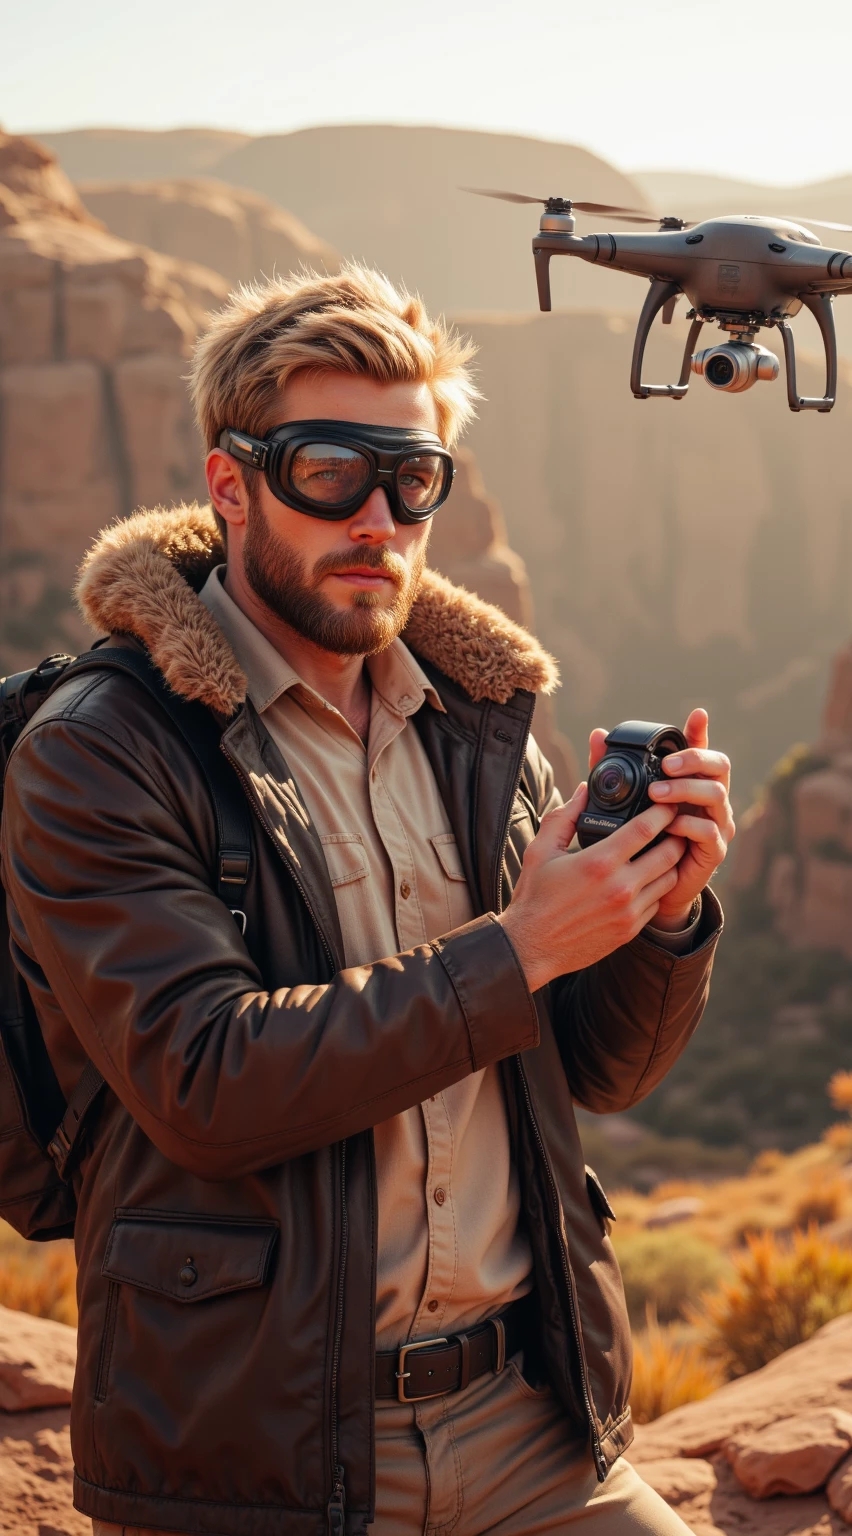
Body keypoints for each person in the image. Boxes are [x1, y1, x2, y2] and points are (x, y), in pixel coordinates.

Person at [1, 266, 734, 1536]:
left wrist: (654, 918)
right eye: (328, 473)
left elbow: (596, 1071)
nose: (378, 519)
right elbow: (206, 1083)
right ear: (230, 486)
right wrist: (523, 944)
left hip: (530, 1418)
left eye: (414, 478)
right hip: (260, 1451)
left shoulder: (477, 723)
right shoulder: (100, 749)